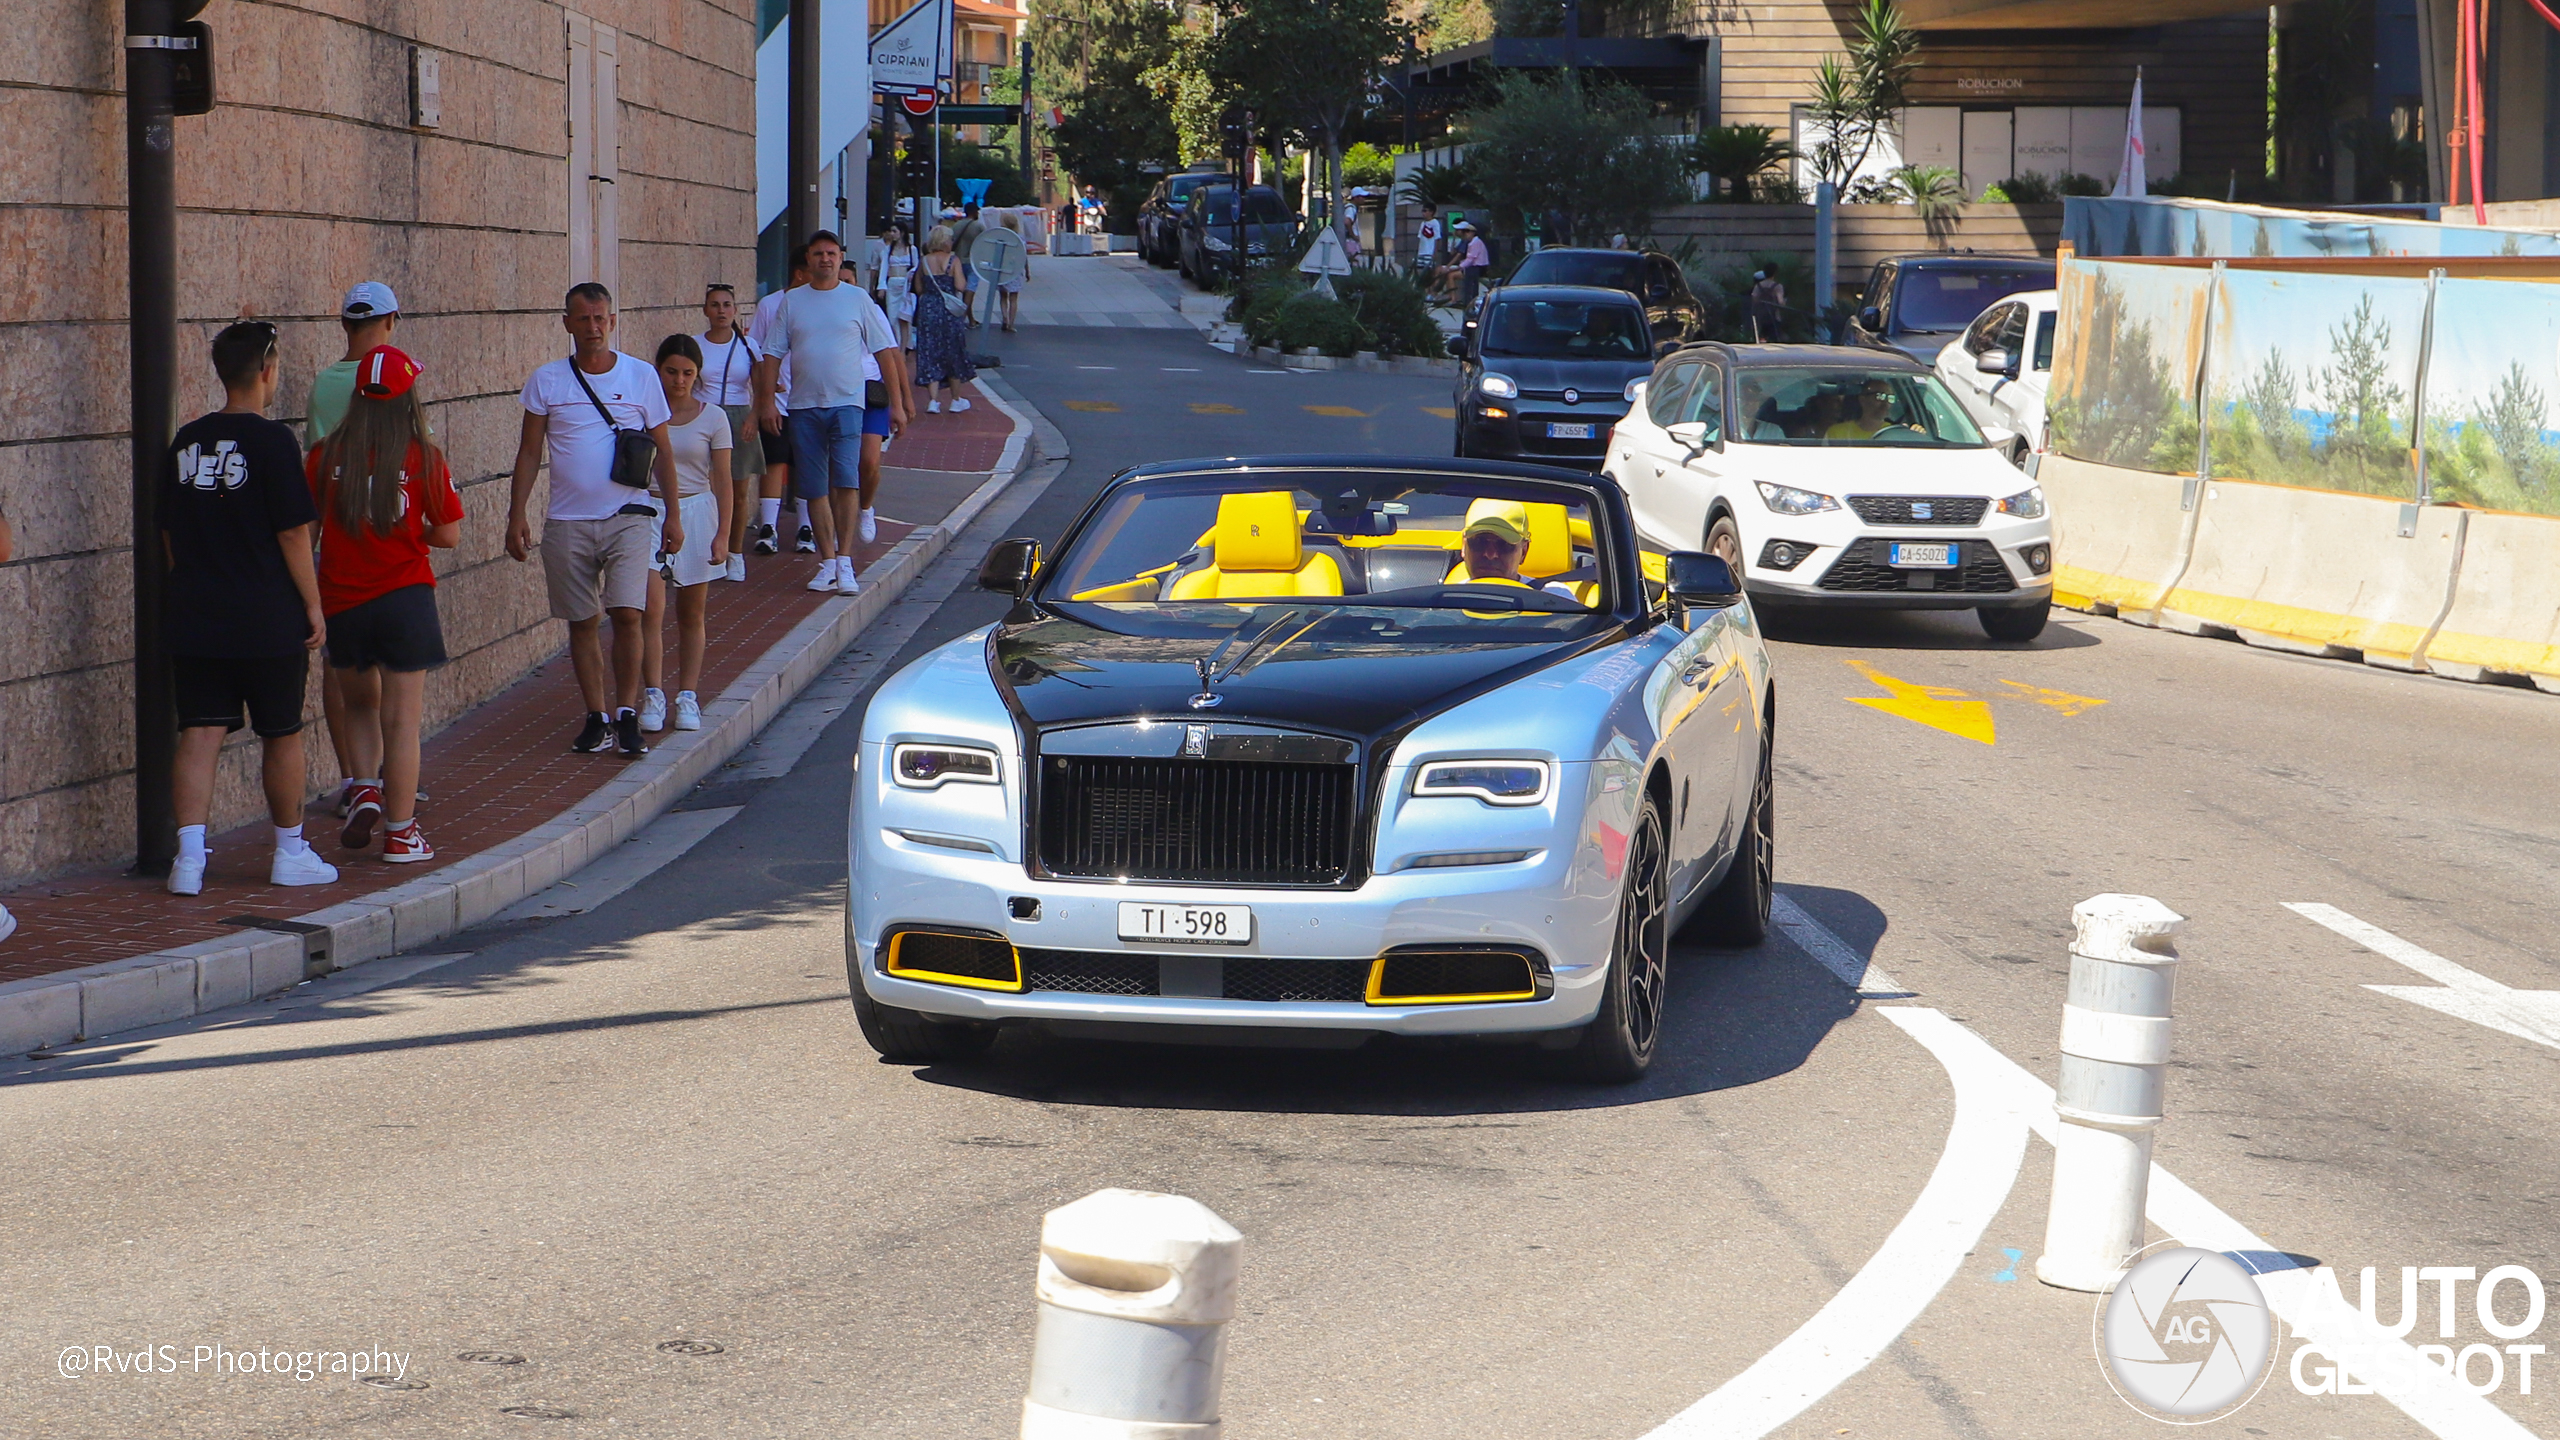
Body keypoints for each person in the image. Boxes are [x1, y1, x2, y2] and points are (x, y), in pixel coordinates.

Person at [163, 321, 338, 895]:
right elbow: (293, 533)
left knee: (200, 730)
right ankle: (289, 850)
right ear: (267, 371)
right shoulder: (271, 442)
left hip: (196, 613)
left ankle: (188, 860)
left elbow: (169, 535)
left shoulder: (185, 441)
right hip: (265, 614)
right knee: (282, 731)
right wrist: (313, 606)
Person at [505, 283, 681, 759]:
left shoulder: (642, 376)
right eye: (583, 319)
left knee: (628, 613)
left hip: (629, 515)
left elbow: (663, 450)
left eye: (600, 318)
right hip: (567, 519)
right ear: (567, 323)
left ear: (613, 321)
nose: (593, 328)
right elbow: (529, 451)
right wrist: (516, 512)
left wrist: (674, 515)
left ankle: (626, 713)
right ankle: (595, 716)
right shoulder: (547, 380)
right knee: (582, 621)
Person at [305, 345, 461, 864]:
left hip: (342, 597)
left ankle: (364, 787)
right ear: (406, 397)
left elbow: (305, 531)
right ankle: (401, 832)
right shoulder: (423, 457)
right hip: (404, 596)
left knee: (359, 706)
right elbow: (448, 534)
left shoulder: (324, 454)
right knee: (402, 720)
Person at [752, 230, 909, 597]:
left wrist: (898, 405)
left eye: (831, 253)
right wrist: (765, 403)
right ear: (807, 260)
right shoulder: (792, 302)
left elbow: (885, 352)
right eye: (818, 253)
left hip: (848, 403)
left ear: (841, 258)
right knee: (813, 487)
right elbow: (771, 353)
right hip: (802, 405)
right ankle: (826, 563)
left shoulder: (858, 298)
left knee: (846, 481)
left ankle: (845, 561)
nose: (825, 259)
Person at [308, 280, 401, 820]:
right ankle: (391, 776)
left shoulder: (323, 385)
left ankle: (354, 779)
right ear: (392, 321)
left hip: (335, 536)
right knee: (394, 673)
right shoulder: (398, 380)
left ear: (344, 324)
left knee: (339, 666)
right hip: (389, 539)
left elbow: (317, 466)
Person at [647, 335, 733, 732]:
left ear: (697, 375)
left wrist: (724, 536)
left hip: (698, 510)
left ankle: (687, 696)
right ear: (658, 370)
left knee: (691, 612)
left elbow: (724, 480)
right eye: (671, 371)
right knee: (650, 608)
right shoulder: (643, 411)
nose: (678, 380)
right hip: (649, 509)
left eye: (687, 373)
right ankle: (652, 693)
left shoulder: (714, 417)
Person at [747, 247, 815, 557]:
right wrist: (765, 398)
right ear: (799, 273)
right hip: (778, 400)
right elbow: (757, 353)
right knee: (774, 460)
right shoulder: (769, 305)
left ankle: (806, 527)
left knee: (805, 464)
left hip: (811, 398)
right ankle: (769, 527)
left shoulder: (819, 304)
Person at [696, 284, 761, 582]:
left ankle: (735, 553)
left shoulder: (748, 346)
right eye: (715, 304)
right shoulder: (695, 345)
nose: (721, 310)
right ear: (705, 310)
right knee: (704, 489)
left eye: (726, 304)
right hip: (704, 416)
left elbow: (761, 388)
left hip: (738, 415)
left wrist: (754, 417)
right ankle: (704, 550)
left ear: (735, 309)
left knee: (738, 490)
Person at [911, 226, 978, 414]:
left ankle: (933, 401)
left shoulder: (924, 261)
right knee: (953, 353)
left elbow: (918, 288)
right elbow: (960, 285)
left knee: (930, 353)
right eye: (949, 239)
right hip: (948, 310)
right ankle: (955, 400)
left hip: (928, 309)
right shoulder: (953, 260)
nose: (951, 242)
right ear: (944, 241)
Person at [1456, 502, 1582, 602]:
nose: (1490, 554)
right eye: (1479, 542)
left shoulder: (1553, 598)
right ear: (1464, 546)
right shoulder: (1447, 598)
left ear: (1524, 551)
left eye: (1504, 545)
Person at [970, 212, 1030, 332]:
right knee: (1013, 298)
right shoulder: (1020, 239)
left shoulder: (999, 236)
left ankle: (1005, 319)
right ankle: (1011, 324)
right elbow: (1024, 257)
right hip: (1015, 270)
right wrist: (1027, 271)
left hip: (1001, 269)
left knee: (1003, 296)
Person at [875, 224, 919, 350]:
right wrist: (881, 286)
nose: (892, 234)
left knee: (905, 316)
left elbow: (916, 266)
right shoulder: (887, 250)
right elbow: (883, 269)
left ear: (902, 233)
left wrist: (911, 275)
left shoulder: (912, 249)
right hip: (892, 285)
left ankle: (905, 346)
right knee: (892, 316)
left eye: (895, 231)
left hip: (906, 286)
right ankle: (896, 344)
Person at [1826, 379, 1911, 441]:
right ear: (1862, 399)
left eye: (1890, 398)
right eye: (1880, 396)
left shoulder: (1896, 433)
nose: (1886, 403)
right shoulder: (1837, 432)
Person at [950, 204, 987, 327]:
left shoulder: (956, 226)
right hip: (973, 262)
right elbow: (985, 243)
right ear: (974, 212)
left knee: (965, 291)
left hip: (958, 261)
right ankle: (962, 319)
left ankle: (971, 319)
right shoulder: (978, 226)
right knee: (970, 290)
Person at [1449, 219, 1492, 311]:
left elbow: (1471, 259)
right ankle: (1468, 302)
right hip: (1475, 266)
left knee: (1470, 285)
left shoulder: (1475, 243)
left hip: (1478, 267)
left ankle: (1469, 302)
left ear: (1473, 233)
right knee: (1469, 284)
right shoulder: (1473, 242)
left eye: (1468, 232)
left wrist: (1460, 266)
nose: (1466, 235)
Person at [1748, 269, 1787, 342]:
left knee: (1760, 336)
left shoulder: (1757, 287)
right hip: (1774, 316)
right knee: (1775, 337)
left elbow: (1754, 299)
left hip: (1760, 316)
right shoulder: (1777, 286)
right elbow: (1780, 301)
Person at [1412, 214, 1441, 285]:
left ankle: (1431, 291)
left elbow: (1437, 238)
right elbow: (1420, 238)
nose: (1423, 213)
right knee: (1420, 272)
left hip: (1429, 252)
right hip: (1421, 252)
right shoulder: (1423, 223)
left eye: (1425, 211)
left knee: (1429, 273)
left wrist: (1435, 252)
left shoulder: (1435, 223)